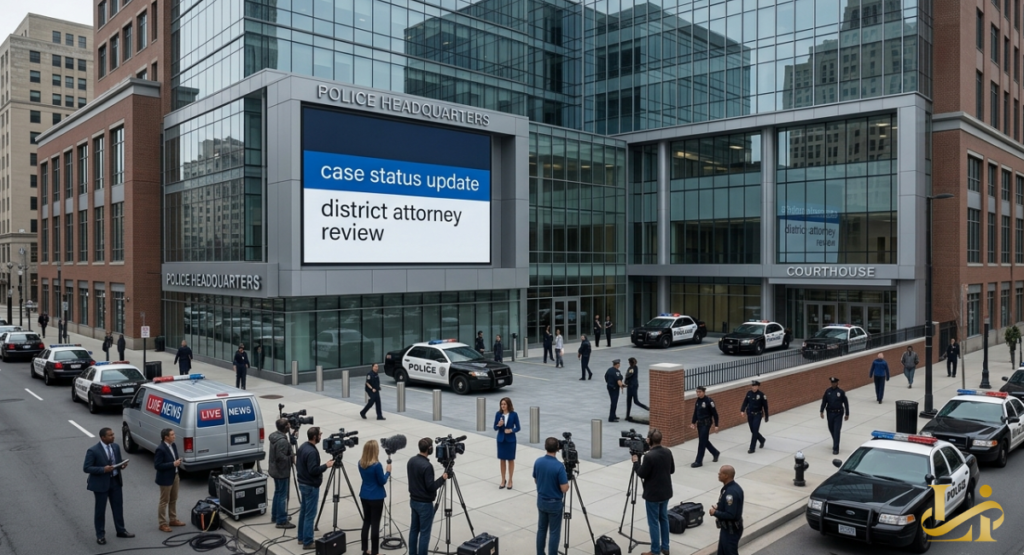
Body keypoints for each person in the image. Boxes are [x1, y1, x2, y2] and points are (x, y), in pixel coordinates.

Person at [83, 427, 134, 545]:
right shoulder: (93, 450)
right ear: (103, 437)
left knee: (118, 507)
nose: (113, 437)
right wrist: (103, 469)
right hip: (101, 484)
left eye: (113, 434)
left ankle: (121, 530)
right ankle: (100, 535)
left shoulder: (115, 447)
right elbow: (86, 468)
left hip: (115, 481)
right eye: (110, 435)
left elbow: (116, 461)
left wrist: (122, 464)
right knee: (100, 510)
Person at [632, 429, 674, 555]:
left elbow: (641, 473)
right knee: (664, 519)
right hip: (665, 492)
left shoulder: (649, 456)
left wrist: (636, 462)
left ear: (650, 440)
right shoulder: (668, 452)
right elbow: (672, 470)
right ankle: (665, 547)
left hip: (653, 495)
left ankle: (655, 551)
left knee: (654, 522)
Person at [296, 427, 335, 550]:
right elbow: (313, 470)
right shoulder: (312, 452)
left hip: (303, 483)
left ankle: (301, 537)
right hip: (310, 486)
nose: (321, 437)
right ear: (314, 437)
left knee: (304, 511)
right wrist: (326, 465)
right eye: (319, 434)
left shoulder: (303, 446)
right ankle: (308, 541)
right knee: (310, 515)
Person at [408, 438, 448, 555]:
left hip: (414, 500)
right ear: (429, 449)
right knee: (424, 533)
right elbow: (431, 487)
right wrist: (442, 479)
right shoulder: (427, 466)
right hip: (424, 504)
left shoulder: (411, 461)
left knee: (414, 530)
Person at [533, 437, 569, 555]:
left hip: (541, 501)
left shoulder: (538, 462)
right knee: (554, 532)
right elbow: (564, 488)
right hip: (554, 504)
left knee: (541, 529)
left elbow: (536, 480)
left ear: (545, 447)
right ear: (558, 448)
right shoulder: (559, 466)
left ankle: (540, 553)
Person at [358, 440, 391, 555]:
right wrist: (388, 472)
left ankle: (365, 549)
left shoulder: (360, 463)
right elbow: (382, 481)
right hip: (376, 496)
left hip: (364, 495)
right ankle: (375, 552)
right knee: (375, 524)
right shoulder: (377, 465)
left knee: (366, 522)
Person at [154, 428, 186, 532]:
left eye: (174, 434)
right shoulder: (160, 449)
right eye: (172, 435)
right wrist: (173, 464)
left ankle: (173, 519)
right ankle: (162, 523)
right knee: (164, 501)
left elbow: (174, 459)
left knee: (173, 499)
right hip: (165, 478)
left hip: (175, 475)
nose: (174, 436)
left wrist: (177, 462)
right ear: (166, 437)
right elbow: (157, 465)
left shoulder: (173, 445)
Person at [709, 465, 744, 555]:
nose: (718, 474)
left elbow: (730, 514)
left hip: (731, 530)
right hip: (726, 529)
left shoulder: (730, 493)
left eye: (720, 473)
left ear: (726, 476)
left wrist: (715, 512)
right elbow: (727, 504)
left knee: (729, 552)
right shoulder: (731, 488)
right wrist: (718, 506)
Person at [268, 418, 296, 529]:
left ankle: (275, 515)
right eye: (288, 424)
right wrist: (291, 457)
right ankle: (281, 520)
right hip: (281, 472)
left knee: (278, 492)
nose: (290, 425)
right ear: (285, 427)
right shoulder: (282, 441)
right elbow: (282, 457)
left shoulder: (275, 437)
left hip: (275, 470)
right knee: (283, 496)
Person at [494, 397, 521, 489]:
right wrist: (499, 425)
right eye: (502, 404)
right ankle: (503, 479)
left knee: (510, 460)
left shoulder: (514, 414)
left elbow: (518, 427)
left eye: (504, 404)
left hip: (510, 440)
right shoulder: (498, 414)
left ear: (508, 405)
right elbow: (495, 427)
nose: (503, 406)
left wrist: (511, 430)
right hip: (501, 440)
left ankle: (510, 480)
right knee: (502, 460)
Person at [690, 386, 720, 468]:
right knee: (704, 441)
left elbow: (715, 414)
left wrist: (716, 425)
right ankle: (715, 452)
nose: (698, 393)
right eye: (697, 392)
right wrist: (693, 422)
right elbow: (695, 412)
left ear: (704, 392)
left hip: (706, 424)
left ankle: (698, 461)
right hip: (699, 424)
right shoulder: (698, 401)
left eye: (699, 392)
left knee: (701, 442)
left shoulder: (709, 401)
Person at [819, 377, 850, 455]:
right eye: (832, 383)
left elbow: (846, 403)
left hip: (838, 414)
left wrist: (847, 414)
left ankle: (836, 448)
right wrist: (821, 411)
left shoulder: (841, 392)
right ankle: (836, 440)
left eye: (834, 383)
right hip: (830, 413)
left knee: (836, 430)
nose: (833, 384)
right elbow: (824, 402)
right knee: (831, 428)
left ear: (837, 383)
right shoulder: (828, 391)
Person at [739, 381, 769, 453]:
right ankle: (762, 439)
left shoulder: (761, 395)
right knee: (752, 430)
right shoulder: (749, 393)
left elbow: (765, 407)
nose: (754, 387)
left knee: (755, 431)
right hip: (750, 414)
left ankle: (752, 448)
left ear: (758, 387)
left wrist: (766, 416)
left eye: (755, 386)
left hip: (758, 415)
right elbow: (745, 402)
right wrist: (742, 410)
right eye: (753, 386)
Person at [624, 357, 649, 422]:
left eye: (629, 362)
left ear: (631, 362)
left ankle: (648, 409)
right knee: (629, 401)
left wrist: (625, 381)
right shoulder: (634, 368)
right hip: (631, 386)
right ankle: (627, 416)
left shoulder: (632, 368)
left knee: (635, 401)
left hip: (632, 387)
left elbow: (628, 375)